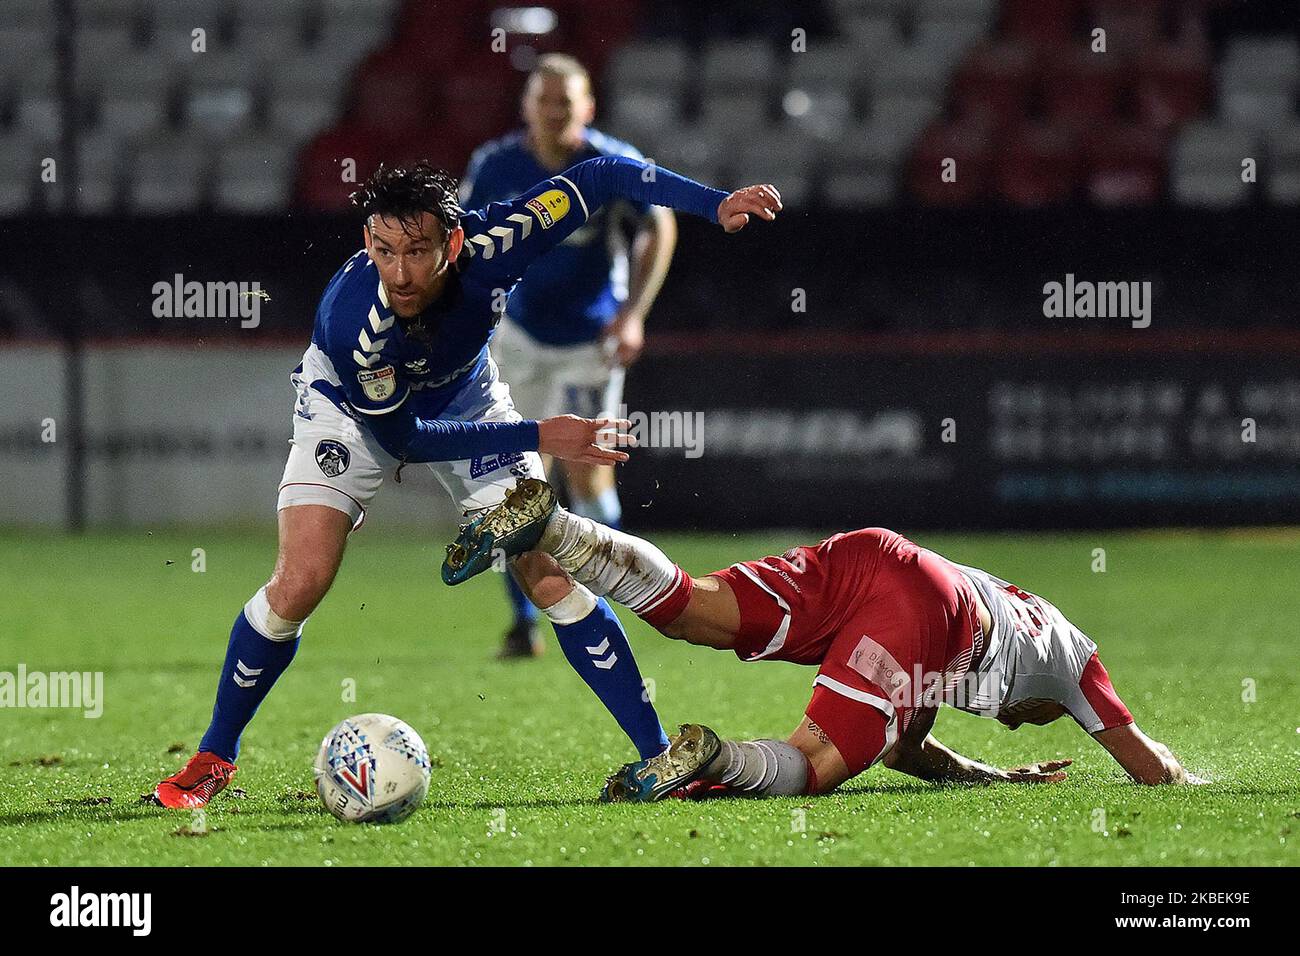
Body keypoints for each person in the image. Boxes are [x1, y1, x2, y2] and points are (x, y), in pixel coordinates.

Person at [150, 156, 783, 809]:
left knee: (548, 573)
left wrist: (712, 204)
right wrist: (543, 434)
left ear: (453, 243)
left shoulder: (495, 240)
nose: (398, 272)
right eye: (382, 250)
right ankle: (213, 756)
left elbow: (598, 179)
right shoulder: (354, 326)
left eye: (417, 251)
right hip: (347, 413)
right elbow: (408, 440)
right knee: (301, 580)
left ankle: (658, 760)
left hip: (470, 402)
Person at [442, 480, 1200, 801]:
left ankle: (556, 528)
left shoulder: (1014, 616)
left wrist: (992, 780)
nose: (1008, 720)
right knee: (816, 767)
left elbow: (904, 745)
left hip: (883, 556)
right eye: (1016, 718)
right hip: (927, 614)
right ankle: (716, 761)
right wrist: (1192, 783)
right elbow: (1152, 767)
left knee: (692, 606)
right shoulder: (1073, 666)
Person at [461, 54, 677, 658]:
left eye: (566, 102)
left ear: (588, 108)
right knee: (512, 484)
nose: (554, 112)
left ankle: (612, 604)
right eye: (544, 100)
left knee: (588, 479)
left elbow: (658, 228)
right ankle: (523, 623)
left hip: (589, 347)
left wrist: (633, 312)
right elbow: (465, 240)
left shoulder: (609, 165)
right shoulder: (496, 165)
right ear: (526, 106)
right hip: (518, 345)